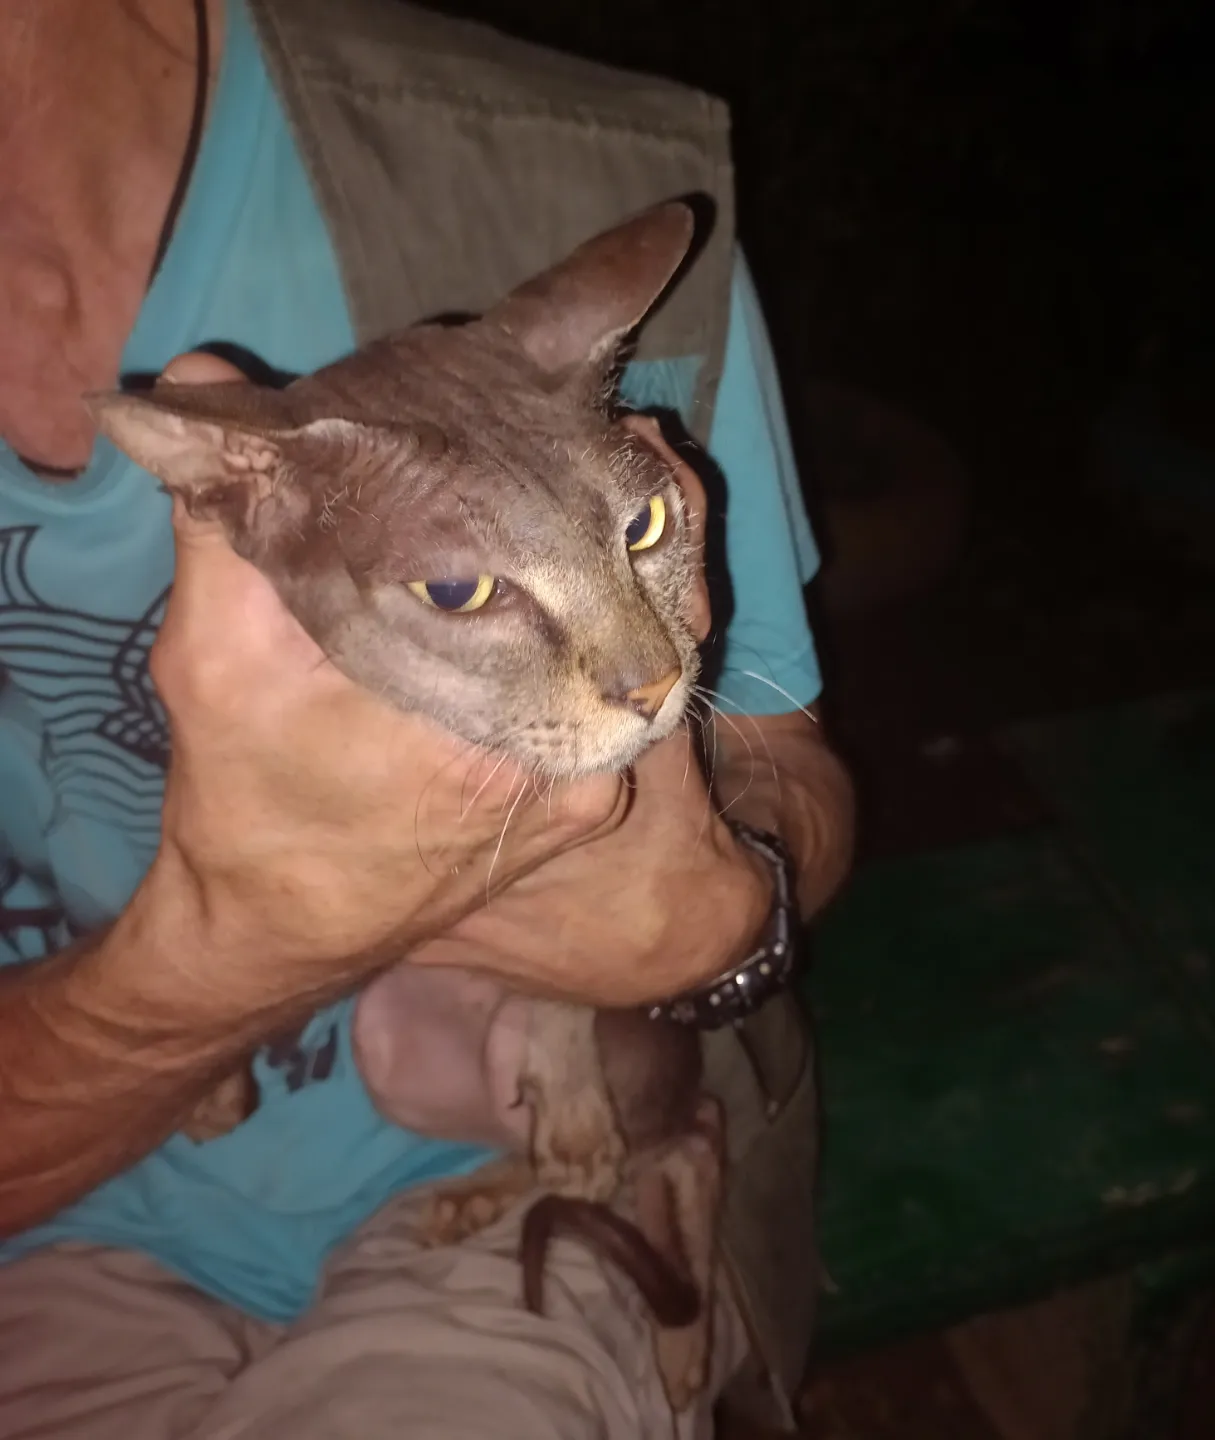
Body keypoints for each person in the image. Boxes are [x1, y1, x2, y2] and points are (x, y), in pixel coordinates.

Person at [0, 0, 855, 1436]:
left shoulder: (557, 167)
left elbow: (788, 768)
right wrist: (211, 985)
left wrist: (720, 918)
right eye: (462, 584)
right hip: (52, 1218)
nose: (647, 677)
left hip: (487, 1145)